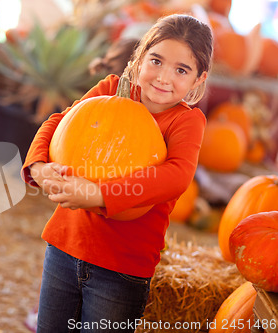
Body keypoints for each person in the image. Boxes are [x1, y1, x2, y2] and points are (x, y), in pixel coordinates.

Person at [21, 14, 213, 332]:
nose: (164, 78)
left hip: (121, 269)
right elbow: (58, 122)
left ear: (197, 80)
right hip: (65, 246)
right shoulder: (111, 89)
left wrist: (99, 194)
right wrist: (39, 167)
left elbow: (177, 175)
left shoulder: (185, 122)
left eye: (181, 70)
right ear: (139, 59)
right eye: (156, 61)